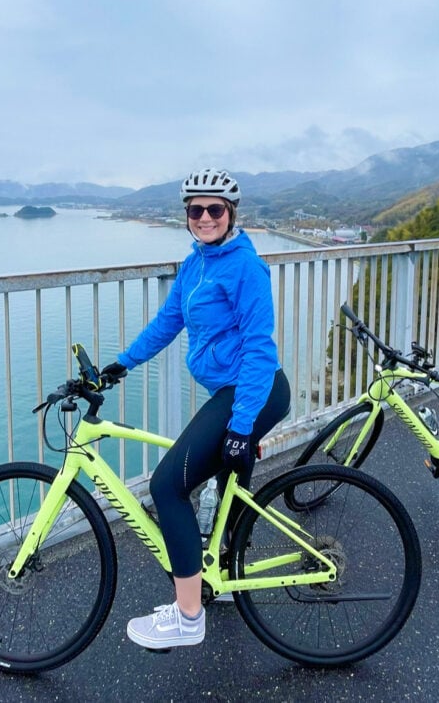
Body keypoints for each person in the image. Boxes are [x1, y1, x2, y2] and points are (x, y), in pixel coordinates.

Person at [99, 167, 291, 651]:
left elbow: (259, 349)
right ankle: (220, 576)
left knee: (167, 486)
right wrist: (118, 366)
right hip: (235, 390)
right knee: (226, 482)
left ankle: (188, 617)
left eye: (215, 209)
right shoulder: (195, 264)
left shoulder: (245, 267)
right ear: (187, 216)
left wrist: (242, 425)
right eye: (195, 210)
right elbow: (167, 323)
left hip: (254, 389)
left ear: (231, 215)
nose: (204, 217)